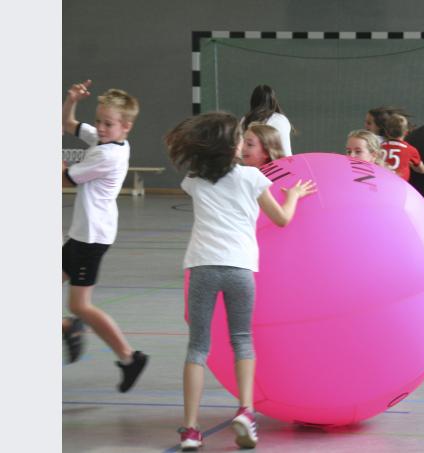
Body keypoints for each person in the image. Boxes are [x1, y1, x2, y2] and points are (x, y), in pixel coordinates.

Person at [166, 112, 316, 450]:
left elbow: (200, 175)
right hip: (240, 269)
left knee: (197, 348)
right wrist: (293, 195)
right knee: (242, 340)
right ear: (233, 146)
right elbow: (282, 219)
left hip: (202, 267)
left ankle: (190, 429)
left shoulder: (194, 179)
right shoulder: (252, 178)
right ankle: (245, 412)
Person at [61, 79, 149, 392]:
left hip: (92, 238)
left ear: (125, 126)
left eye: (107, 123)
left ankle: (129, 357)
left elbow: (66, 178)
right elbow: (67, 123)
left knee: (81, 305)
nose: (99, 127)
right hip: (81, 233)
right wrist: (71, 100)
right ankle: (68, 327)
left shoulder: (107, 156)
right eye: (98, 120)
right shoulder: (105, 141)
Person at [243, 84, 293, 156]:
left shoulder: (245, 120)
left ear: (253, 100)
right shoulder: (281, 119)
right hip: (281, 163)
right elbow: (285, 150)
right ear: (273, 100)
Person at [381, 113, 424, 181]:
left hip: (381, 182)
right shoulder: (410, 150)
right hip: (400, 186)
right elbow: (422, 170)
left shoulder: (379, 146)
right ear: (406, 132)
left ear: (386, 131)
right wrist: (411, 164)